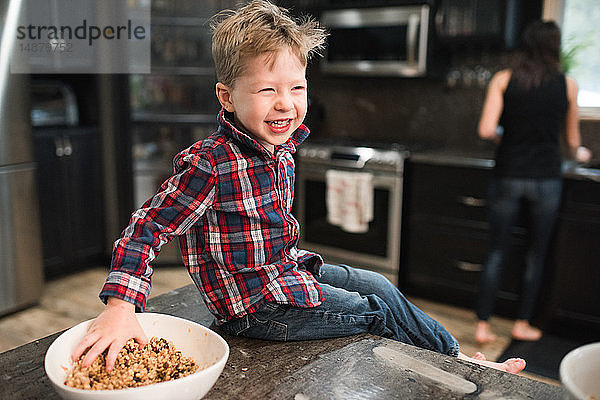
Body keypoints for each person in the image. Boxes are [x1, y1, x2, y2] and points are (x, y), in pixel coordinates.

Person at [72, 0, 525, 374]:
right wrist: (120, 307)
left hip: (285, 276)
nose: (286, 104)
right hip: (255, 310)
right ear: (227, 97)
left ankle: (456, 356)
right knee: (374, 309)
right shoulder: (211, 164)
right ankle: (460, 372)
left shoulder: (282, 147)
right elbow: (145, 228)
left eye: (297, 87)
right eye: (267, 90)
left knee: (379, 284)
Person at [475, 20, 592, 344]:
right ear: (555, 48)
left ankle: (483, 326)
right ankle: (521, 323)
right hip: (546, 178)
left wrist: (509, 138)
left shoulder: (503, 79)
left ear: (524, 46)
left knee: (496, 250)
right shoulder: (567, 84)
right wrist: (581, 153)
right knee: (535, 254)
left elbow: (486, 130)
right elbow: (571, 140)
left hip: (509, 172)